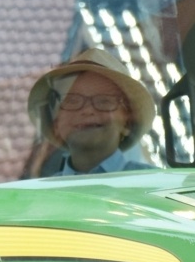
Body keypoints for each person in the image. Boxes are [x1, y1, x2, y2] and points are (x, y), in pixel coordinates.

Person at [26, 48, 157, 176]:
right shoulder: (43, 194)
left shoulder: (152, 185)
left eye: (104, 101)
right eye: (72, 101)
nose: (88, 110)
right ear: (56, 124)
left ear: (127, 122)